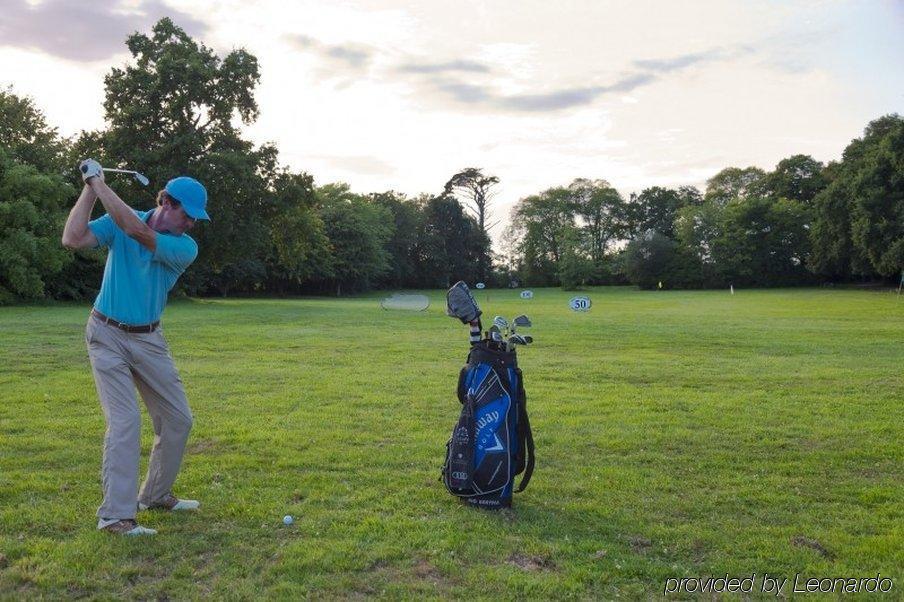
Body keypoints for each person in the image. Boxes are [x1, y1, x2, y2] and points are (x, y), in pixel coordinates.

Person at [62, 159, 210, 536]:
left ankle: (156, 495)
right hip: (106, 334)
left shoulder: (184, 247)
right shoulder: (118, 219)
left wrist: (98, 181)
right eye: (187, 214)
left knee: (179, 419)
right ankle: (115, 517)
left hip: (148, 339)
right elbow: (73, 239)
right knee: (125, 422)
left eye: (195, 218)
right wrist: (89, 188)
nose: (191, 223)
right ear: (168, 202)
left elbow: (135, 230)